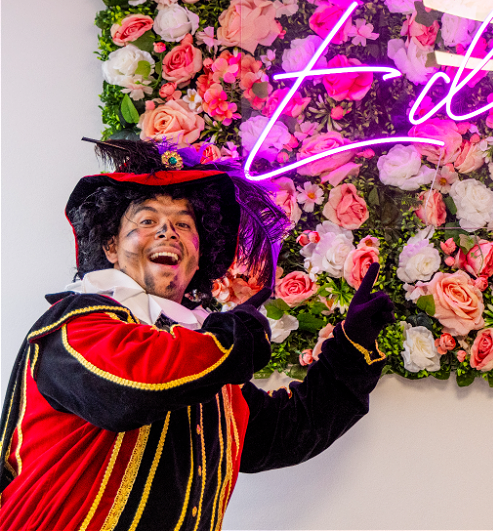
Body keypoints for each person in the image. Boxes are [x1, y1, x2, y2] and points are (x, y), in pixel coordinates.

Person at [0, 140, 395, 530]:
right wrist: (230, 339)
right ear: (111, 247)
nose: (167, 231)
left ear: (198, 255)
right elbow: (131, 386)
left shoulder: (206, 364)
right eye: (147, 221)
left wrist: (350, 349)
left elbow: (289, 431)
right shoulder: (76, 323)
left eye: (183, 225)